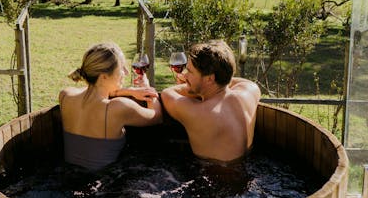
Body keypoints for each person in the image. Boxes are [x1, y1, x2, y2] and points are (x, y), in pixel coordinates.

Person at [59, 42, 163, 171]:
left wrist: (129, 91)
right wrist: (147, 89)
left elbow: (97, 92)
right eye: (121, 68)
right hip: (103, 184)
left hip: (68, 176)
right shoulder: (118, 107)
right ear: (103, 77)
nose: (125, 72)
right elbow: (156, 117)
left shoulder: (65, 95)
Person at [160, 40, 261, 163]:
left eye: (190, 72)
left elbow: (166, 94)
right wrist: (196, 81)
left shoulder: (198, 113)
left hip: (211, 177)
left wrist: (189, 86)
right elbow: (235, 80)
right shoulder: (250, 91)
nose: (185, 76)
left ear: (209, 79)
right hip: (248, 171)